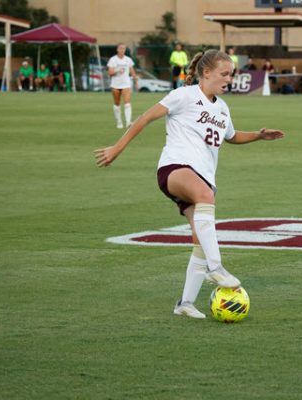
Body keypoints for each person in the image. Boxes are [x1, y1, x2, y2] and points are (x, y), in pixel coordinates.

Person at [94, 49, 284, 319]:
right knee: (206, 197)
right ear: (206, 73)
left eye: (231, 74)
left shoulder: (221, 107)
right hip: (175, 168)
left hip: (202, 177)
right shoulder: (184, 95)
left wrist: (258, 135)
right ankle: (215, 268)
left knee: (200, 240)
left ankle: (185, 303)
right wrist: (117, 148)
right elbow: (145, 117)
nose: (229, 79)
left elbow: (231, 136)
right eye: (224, 74)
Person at [107, 43, 138, 129]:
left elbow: (132, 71)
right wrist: (117, 71)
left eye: (124, 48)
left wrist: (136, 82)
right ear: (117, 49)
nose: (122, 50)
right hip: (115, 84)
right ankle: (119, 122)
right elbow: (110, 72)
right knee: (117, 104)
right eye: (120, 48)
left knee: (127, 102)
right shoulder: (113, 60)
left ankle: (128, 122)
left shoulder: (128, 60)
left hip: (126, 84)